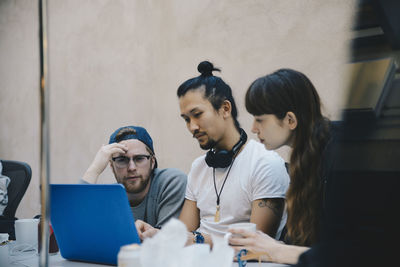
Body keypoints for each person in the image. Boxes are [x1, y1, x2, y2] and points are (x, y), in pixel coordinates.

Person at [136, 61, 290, 245]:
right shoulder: (199, 167)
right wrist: (158, 233)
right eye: (186, 119)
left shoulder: (265, 163)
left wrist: (196, 239)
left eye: (197, 114)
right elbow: (184, 233)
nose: (192, 127)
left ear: (225, 109)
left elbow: (255, 245)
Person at [227, 68, 334, 264]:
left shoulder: (338, 155)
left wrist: (275, 250)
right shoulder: (305, 160)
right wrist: (264, 247)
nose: (253, 128)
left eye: (260, 119)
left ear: (290, 120)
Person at [82, 125, 187, 228]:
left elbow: (166, 241)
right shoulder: (108, 197)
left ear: (152, 162)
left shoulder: (170, 182)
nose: (131, 168)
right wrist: (94, 169)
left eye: (139, 158)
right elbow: (75, 228)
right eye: (122, 160)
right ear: (111, 166)